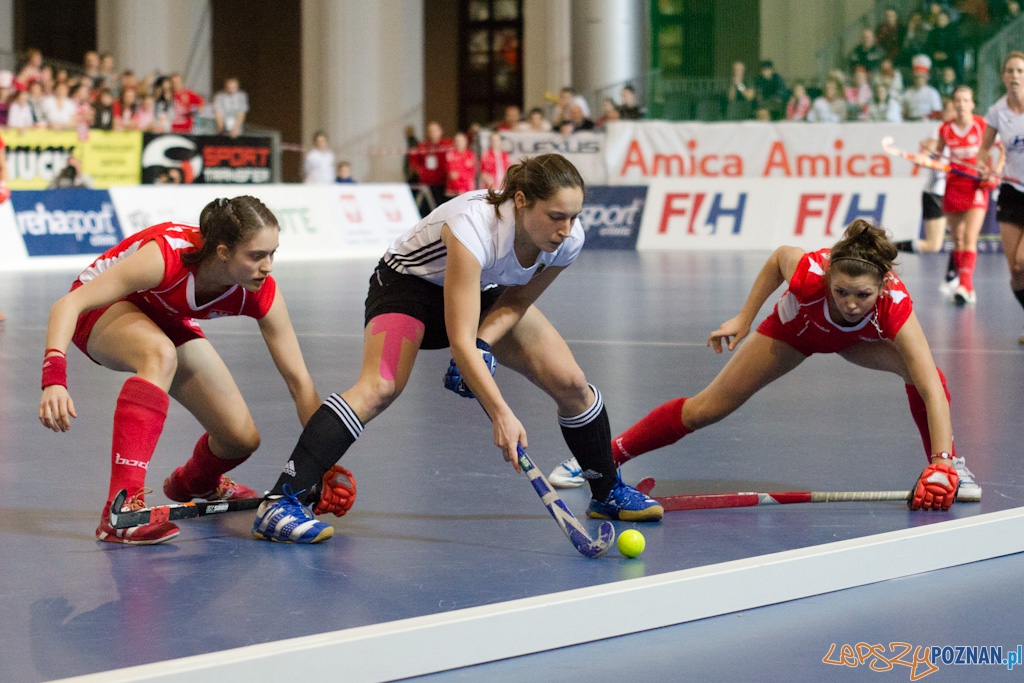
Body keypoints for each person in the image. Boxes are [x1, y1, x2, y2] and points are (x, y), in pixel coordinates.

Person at [251, 154, 663, 544]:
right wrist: (501, 411)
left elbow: (516, 302)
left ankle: (606, 492)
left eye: (574, 217)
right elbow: (459, 337)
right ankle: (281, 501)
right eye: (556, 216)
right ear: (521, 201)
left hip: (484, 293)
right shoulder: (474, 224)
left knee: (572, 382)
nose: (566, 229)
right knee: (380, 386)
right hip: (407, 287)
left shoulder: (567, 242)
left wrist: (485, 343)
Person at [549, 219, 980, 509]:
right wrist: (744, 317)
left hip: (855, 343)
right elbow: (778, 256)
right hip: (793, 334)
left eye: (862, 296)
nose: (851, 303)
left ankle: (949, 468)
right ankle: (604, 456)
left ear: (882, 286)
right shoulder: (810, 271)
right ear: (829, 276)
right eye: (842, 291)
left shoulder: (894, 304)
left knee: (927, 374)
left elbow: (928, 385)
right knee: (706, 409)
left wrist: (940, 460)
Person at [38, 196, 320, 545]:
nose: (269, 266)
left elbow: (300, 382)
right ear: (222, 252)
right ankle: (120, 510)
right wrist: (54, 379)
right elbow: (69, 304)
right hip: (99, 308)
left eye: (273, 253)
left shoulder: (260, 292)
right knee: (159, 353)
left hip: (163, 315)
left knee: (240, 438)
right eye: (256, 256)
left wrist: (325, 464)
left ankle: (196, 482)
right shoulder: (165, 257)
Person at [926, 85, 1002, 305]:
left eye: (965, 100)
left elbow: (1001, 149)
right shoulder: (945, 129)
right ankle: (964, 283)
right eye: (957, 100)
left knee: (969, 237)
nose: (960, 105)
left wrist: (995, 171)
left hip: (976, 186)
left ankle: (965, 285)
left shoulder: (981, 125)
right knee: (957, 239)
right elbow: (937, 154)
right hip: (953, 186)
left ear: (972, 104)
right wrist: (926, 155)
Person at [977, 51, 1024, 343]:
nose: (1016, 76)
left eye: (1020, 71)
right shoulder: (997, 111)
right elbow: (984, 149)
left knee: (1023, 261)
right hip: (1011, 190)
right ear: (1003, 77)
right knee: (1016, 271)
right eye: (1010, 71)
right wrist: (984, 164)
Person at [902, 55, 943, 121]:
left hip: (927, 124)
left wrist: (925, 117)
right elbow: (903, 113)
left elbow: (938, 113)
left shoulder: (933, 92)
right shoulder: (908, 93)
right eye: (917, 77)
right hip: (910, 124)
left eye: (921, 77)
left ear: (926, 78)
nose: (919, 79)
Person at [445, 132, 477, 198]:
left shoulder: (471, 155)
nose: (459, 143)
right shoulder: (450, 155)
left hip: (468, 190)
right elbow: (453, 174)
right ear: (454, 142)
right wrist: (460, 189)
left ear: (466, 142)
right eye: (457, 141)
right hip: (454, 191)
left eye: (461, 141)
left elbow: (472, 173)